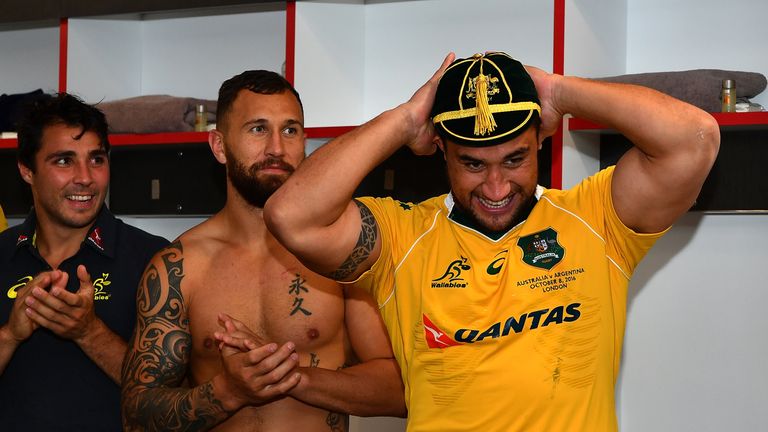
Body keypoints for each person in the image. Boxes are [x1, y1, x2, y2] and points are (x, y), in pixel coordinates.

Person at [263, 51, 721, 431]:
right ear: (441, 149)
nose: (497, 187)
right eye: (474, 165)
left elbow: (695, 140)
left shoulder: (596, 219)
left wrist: (559, 91)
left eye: (514, 159)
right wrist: (404, 121)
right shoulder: (403, 236)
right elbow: (291, 216)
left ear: (542, 136)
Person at [121, 70, 405, 431]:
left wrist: (293, 377)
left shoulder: (340, 256)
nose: (276, 148)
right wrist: (227, 392)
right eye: (258, 129)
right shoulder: (179, 267)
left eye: (290, 130)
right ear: (219, 146)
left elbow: (400, 389)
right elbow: (136, 412)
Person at [0, 93, 169, 431]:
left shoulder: (155, 258)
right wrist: (10, 335)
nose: (85, 177)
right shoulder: (2, 252)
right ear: (26, 170)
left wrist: (89, 332)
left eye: (96, 159)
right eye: (64, 161)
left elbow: (170, 399)